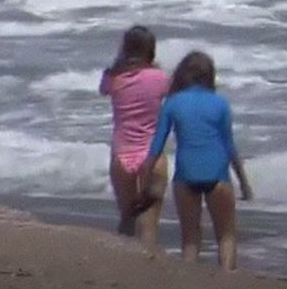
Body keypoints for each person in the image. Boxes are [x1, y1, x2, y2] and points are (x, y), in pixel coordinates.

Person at [137, 51, 253, 271]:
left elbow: (156, 146)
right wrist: (244, 184)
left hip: (185, 177)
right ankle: (226, 281)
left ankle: (189, 284)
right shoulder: (220, 104)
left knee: (190, 238)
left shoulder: (172, 103)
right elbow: (229, 147)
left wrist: (144, 181)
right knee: (226, 235)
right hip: (218, 176)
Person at [99, 25, 170, 247]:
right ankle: (147, 268)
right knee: (149, 224)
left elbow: (103, 89)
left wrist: (118, 64)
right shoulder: (160, 78)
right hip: (152, 154)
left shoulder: (113, 79)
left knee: (127, 216)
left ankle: (125, 265)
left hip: (122, 154)